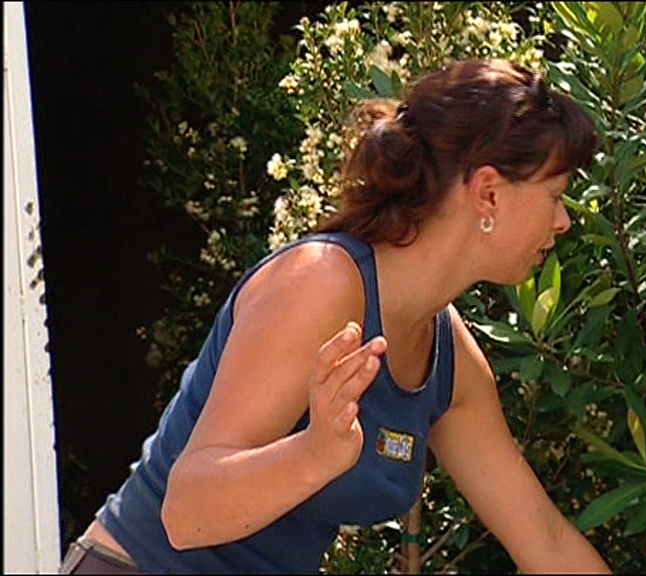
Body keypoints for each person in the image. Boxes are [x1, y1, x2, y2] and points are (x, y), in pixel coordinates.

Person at [59, 58, 611, 574]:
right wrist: (313, 454)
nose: (563, 220)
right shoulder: (320, 283)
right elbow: (186, 512)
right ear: (488, 192)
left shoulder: (449, 359)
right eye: (554, 194)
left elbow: (544, 540)